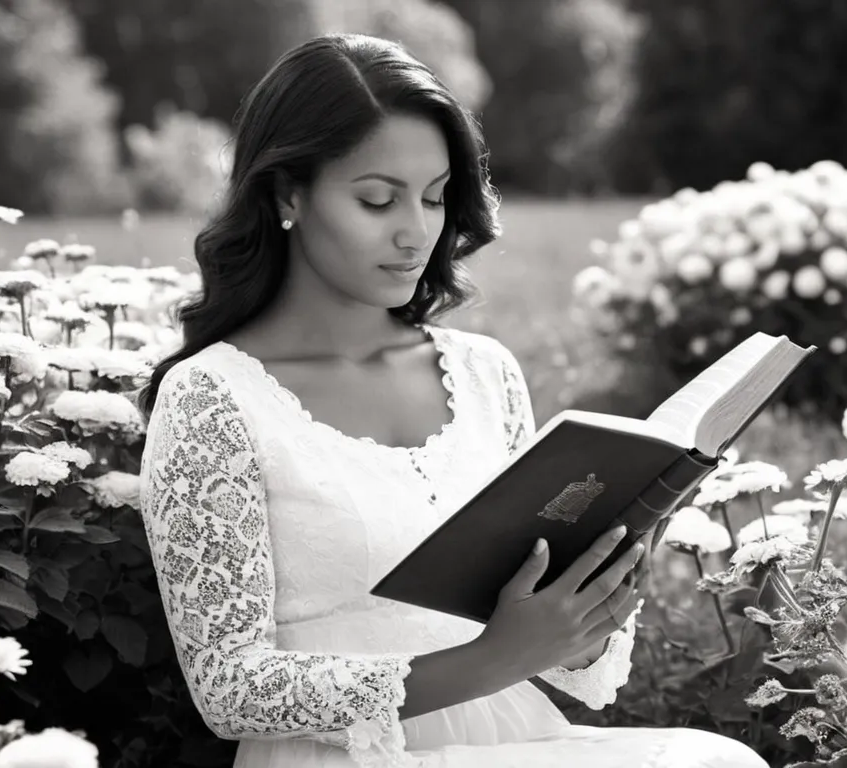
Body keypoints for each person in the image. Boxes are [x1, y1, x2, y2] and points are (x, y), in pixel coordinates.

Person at [137, 33, 769, 768]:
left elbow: (558, 658)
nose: (415, 232)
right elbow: (228, 689)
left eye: (435, 197)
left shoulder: (483, 372)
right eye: (377, 199)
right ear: (287, 194)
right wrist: (493, 658)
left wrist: (601, 588)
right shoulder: (214, 398)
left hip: (511, 737)